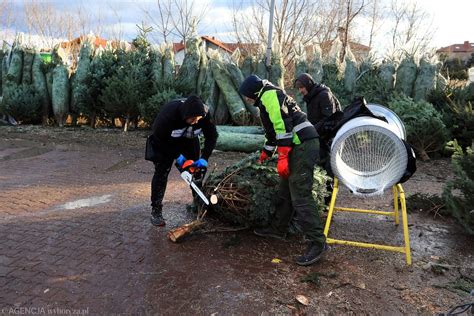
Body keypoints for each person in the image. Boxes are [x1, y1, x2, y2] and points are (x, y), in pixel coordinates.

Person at [238, 74, 329, 266]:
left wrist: (283, 155)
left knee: (300, 194)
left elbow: (282, 126)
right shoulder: (265, 98)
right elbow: (272, 133)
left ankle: (317, 243)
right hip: (298, 144)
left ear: (253, 92)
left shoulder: (269, 95)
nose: (246, 99)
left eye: (247, 96)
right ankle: (278, 228)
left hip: (303, 145)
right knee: (285, 188)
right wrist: (266, 152)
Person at [149, 95, 218, 226]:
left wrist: (204, 157)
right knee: (161, 172)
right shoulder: (168, 115)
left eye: (198, 119)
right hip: (165, 143)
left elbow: (212, 136)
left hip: (189, 140)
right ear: (185, 114)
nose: (196, 122)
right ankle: (156, 210)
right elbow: (159, 139)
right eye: (193, 119)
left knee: (197, 172)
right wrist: (178, 156)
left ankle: (199, 204)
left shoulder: (204, 115)